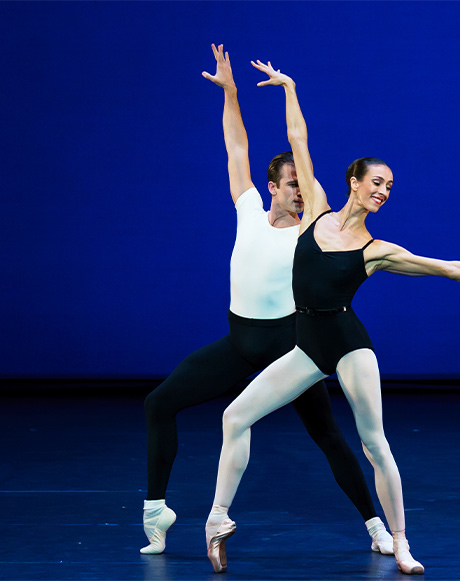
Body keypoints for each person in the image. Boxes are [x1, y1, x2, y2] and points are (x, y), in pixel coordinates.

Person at [204, 57, 460, 576]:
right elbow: (298, 139)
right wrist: (290, 89)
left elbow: (441, 265)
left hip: (348, 344)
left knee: (374, 441)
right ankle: (216, 520)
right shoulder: (315, 210)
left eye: (390, 187)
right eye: (378, 181)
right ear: (354, 181)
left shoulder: (375, 248)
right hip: (308, 345)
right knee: (235, 415)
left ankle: (401, 541)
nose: (384, 191)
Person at [139, 44, 395, 559]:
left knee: (329, 437)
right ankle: (156, 508)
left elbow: (300, 143)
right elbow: (237, 146)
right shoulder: (249, 209)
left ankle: (376, 525)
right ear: (273, 187)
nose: (301, 192)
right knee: (158, 403)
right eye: (292, 185)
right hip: (239, 341)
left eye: (305, 185)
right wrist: (231, 92)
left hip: (289, 347)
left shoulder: (312, 230)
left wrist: (290, 96)